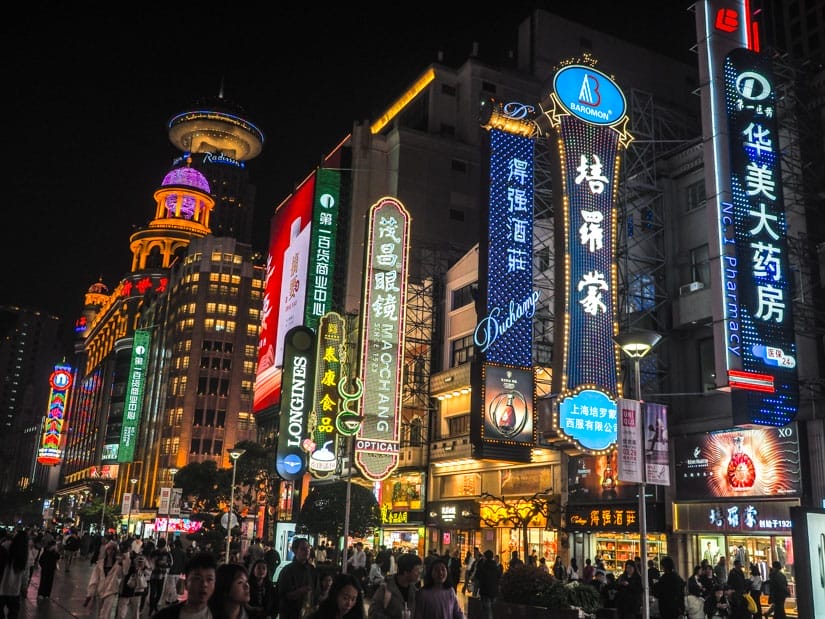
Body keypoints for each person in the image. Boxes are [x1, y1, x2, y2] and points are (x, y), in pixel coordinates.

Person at [153, 551, 219, 618]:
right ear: (186, 582)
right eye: (197, 578)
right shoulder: (164, 616)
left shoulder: (220, 615)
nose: (204, 584)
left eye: (209, 579)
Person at [368, 552, 422, 619]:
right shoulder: (386, 589)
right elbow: (373, 613)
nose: (420, 572)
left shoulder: (414, 591)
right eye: (417, 569)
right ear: (406, 572)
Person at [277, 537, 318, 619]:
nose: (307, 551)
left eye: (308, 548)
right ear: (295, 551)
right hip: (290, 614)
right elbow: (281, 595)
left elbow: (316, 592)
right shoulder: (287, 571)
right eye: (303, 549)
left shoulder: (312, 570)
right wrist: (299, 592)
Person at [86, 540, 124, 619]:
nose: (110, 551)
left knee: (106, 612)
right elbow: (94, 578)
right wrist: (91, 592)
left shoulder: (118, 564)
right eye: (109, 549)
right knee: (100, 612)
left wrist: (121, 563)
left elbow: (120, 575)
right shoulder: (100, 563)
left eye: (113, 549)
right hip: (100, 589)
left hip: (111, 590)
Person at [0, 529, 29, 618]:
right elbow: (25, 573)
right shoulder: (24, 554)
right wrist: (24, 587)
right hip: (14, 589)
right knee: (13, 613)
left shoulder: (6, 546)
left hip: (2, 586)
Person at [118, 549, 152, 619]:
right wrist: (121, 563)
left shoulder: (142, 559)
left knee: (135, 611)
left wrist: (143, 568)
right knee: (121, 613)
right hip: (125, 589)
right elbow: (119, 574)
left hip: (137, 589)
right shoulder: (125, 559)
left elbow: (149, 573)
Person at [150, 538, 174, 614]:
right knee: (154, 592)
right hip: (156, 575)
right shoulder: (156, 553)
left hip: (159, 575)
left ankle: (154, 605)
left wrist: (162, 564)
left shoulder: (167, 553)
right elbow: (151, 562)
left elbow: (170, 564)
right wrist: (160, 563)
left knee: (158, 592)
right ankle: (152, 607)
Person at [473, 550, 500, 619]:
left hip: (485, 591)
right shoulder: (496, 567)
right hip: (494, 591)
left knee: (487, 610)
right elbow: (499, 577)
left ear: (485, 557)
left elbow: (477, 576)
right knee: (492, 609)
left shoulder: (483, 566)